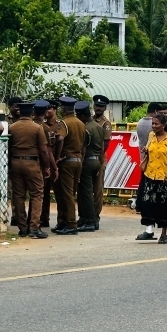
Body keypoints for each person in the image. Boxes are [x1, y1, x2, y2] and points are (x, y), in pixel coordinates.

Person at [8, 101, 55, 239]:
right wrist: (46, 167)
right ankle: (34, 227)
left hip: (15, 162)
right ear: (32, 113)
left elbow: (9, 147)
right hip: (32, 163)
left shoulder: (12, 127)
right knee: (36, 194)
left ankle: (22, 228)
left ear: (20, 112)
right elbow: (43, 150)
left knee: (18, 195)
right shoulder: (37, 128)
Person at [137, 112, 167, 244]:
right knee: (150, 204)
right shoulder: (151, 135)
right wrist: (145, 151)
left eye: (156, 124)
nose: (153, 126)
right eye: (152, 123)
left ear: (163, 125)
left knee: (165, 206)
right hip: (151, 175)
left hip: (166, 177)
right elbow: (148, 149)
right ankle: (150, 228)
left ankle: (164, 234)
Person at [54, 97, 85, 235]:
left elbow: (60, 139)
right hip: (78, 160)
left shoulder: (64, 123)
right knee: (71, 193)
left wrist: (57, 156)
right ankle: (65, 221)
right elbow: (85, 143)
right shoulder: (80, 123)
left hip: (67, 161)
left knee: (66, 194)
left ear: (63, 109)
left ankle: (71, 224)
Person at [37, 100, 65, 229]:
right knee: (44, 192)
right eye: (45, 109)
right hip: (45, 163)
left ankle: (61, 220)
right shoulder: (41, 125)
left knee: (59, 193)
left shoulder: (60, 125)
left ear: (54, 110)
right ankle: (43, 219)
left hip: (58, 162)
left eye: (49, 109)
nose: (47, 111)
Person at [77, 101, 104, 232]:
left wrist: (79, 165)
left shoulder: (85, 129)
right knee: (92, 191)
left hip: (87, 161)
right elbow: (102, 148)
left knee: (86, 193)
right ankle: (91, 220)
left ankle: (89, 221)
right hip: (97, 161)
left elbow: (82, 149)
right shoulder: (98, 126)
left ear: (82, 116)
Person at [89, 95, 112, 229]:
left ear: (105, 108)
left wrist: (99, 156)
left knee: (97, 190)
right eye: (97, 105)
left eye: (101, 106)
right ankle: (87, 215)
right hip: (87, 158)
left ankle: (95, 217)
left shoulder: (105, 123)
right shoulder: (90, 120)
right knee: (87, 189)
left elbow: (106, 143)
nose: (98, 108)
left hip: (99, 158)